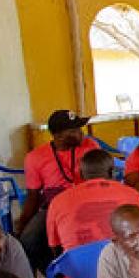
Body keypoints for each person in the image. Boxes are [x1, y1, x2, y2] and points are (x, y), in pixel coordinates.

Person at [16, 110, 94, 266]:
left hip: (86, 203)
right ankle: (56, 273)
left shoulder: (90, 147)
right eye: (74, 131)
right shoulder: (35, 157)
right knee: (28, 241)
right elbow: (33, 195)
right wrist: (22, 224)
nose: (81, 133)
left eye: (80, 129)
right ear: (58, 136)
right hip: (53, 207)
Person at [46, 148, 139, 253]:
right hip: (124, 264)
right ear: (112, 172)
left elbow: (55, 247)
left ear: (80, 174)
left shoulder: (58, 201)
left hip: (80, 267)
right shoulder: (132, 194)